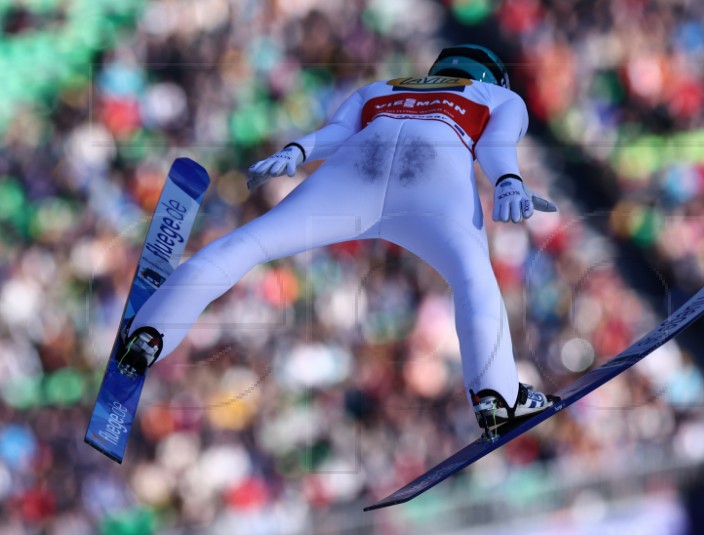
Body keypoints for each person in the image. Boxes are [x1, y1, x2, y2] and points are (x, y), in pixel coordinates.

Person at [122, 44, 559, 435]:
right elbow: (495, 144)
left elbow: (336, 133)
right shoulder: (500, 97)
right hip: (432, 175)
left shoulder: (382, 86)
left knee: (251, 243)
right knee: (473, 280)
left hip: (355, 171)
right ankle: (496, 398)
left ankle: (149, 331)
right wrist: (507, 181)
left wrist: (296, 150)